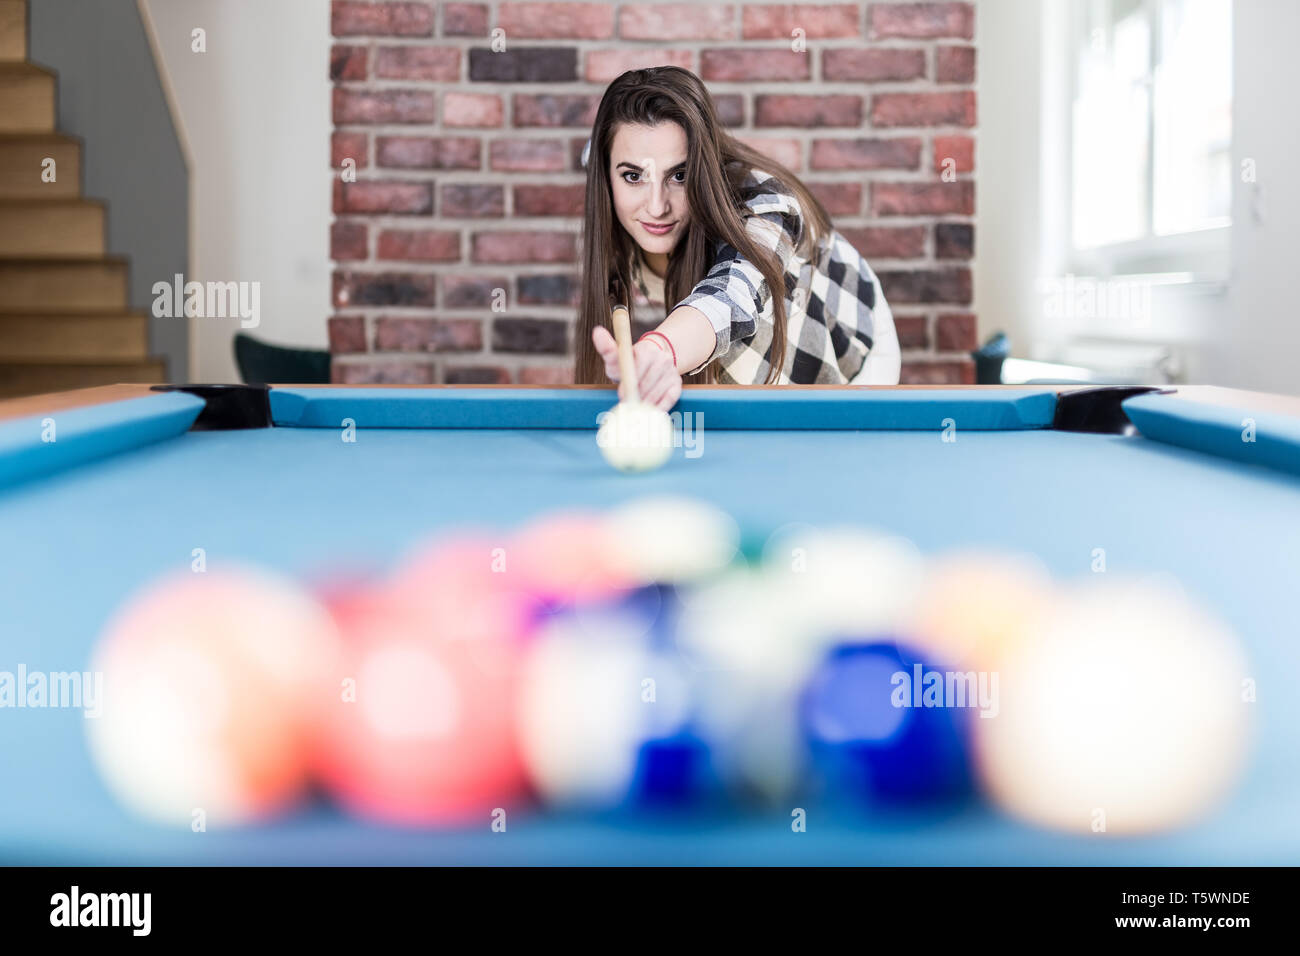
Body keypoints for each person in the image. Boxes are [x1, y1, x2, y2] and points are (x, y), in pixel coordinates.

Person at [573, 66, 901, 410]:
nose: (656, 207)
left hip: (846, 352)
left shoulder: (767, 206)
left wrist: (662, 350)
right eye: (633, 176)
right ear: (604, 172)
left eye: (680, 175)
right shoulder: (610, 163)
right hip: (744, 356)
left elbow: (732, 294)